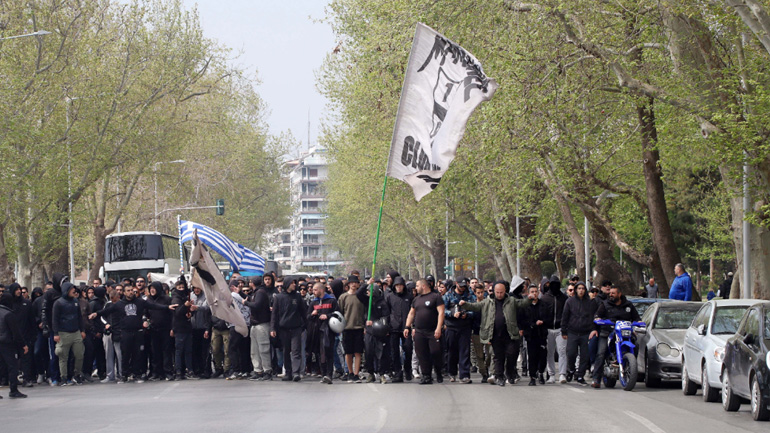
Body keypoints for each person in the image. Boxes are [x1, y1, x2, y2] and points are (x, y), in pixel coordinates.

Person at [89, 284, 177, 383]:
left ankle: (137, 375)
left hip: (138, 331)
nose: (131, 292)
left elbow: (154, 306)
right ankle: (124, 375)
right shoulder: (119, 304)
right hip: (125, 332)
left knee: (138, 354)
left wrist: (167, 307)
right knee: (125, 355)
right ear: (124, 292)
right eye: (128, 290)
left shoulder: (140, 302)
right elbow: (107, 311)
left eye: (132, 290)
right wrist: (96, 314)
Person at [459, 280, 531, 386]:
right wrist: (464, 305)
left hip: (510, 334)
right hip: (495, 334)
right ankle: (499, 376)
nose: (499, 294)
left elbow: (522, 303)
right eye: (497, 292)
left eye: (501, 292)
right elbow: (475, 307)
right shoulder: (487, 301)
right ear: (494, 291)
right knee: (498, 357)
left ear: (505, 291)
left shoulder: (511, 300)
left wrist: (529, 299)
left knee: (512, 354)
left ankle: (510, 373)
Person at [591, 286, 641, 388]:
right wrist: (598, 319)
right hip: (607, 332)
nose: (610, 295)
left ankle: (631, 367)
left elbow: (636, 317)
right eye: (610, 293)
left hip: (625, 333)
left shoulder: (629, 305)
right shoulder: (605, 304)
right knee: (601, 353)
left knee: (636, 344)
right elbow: (597, 315)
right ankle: (596, 378)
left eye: (613, 293)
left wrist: (640, 322)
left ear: (619, 294)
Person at [404, 279, 445, 385]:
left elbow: (441, 313)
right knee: (421, 353)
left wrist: (438, 328)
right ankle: (426, 375)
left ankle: (438, 371)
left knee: (435, 352)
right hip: (419, 331)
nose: (415, 288)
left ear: (423, 286)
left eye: (417, 286)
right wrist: (407, 326)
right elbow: (411, 314)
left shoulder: (435, 297)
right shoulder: (416, 299)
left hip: (432, 331)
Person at [560, 281, 596, 385]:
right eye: (579, 288)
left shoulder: (589, 303)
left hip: (585, 333)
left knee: (585, 356)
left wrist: (592, 329)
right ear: (576, 290)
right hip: (572, 332)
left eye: (583, 289)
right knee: (571, 353)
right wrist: (564, 330)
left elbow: (592, 317)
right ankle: (571, 370)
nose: (581, 290)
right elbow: (565, 316)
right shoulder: (570, 301)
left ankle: (580, 375)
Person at [270, 278, 306, 382]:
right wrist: (273, 328)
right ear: (287, 284)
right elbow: (274, 314)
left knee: (296, 351)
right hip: (283, 329)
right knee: (285, 351)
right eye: (292, 283)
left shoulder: (298, 296)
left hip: (296, 328)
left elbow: (303, 312)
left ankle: (296, 373)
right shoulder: (278, 297)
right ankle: (288, 373)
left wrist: (305, 326)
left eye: (295, 283)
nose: (294, 285)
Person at [52, 282, 86, 385]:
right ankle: (64, 378)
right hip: (63, 333)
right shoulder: (58, 303)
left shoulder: (75, 301)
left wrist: (82, 330)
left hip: (75, 332)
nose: (74, 291)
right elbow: (55, 319)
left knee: (79, 354)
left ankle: (77, 374)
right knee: (63, 356)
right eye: (72, 289)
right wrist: (56, 333)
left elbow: (79, 317)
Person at [442, 279, 476, 383]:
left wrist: (467, 314)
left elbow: (474, 309)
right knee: (452, 351)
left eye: (464, 286)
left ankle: (464, 375)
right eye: (460, 286)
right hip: (451, 326)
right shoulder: (448, 295)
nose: (462, 288)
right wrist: (452, 314)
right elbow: (442, 310)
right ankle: (452, 373)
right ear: (456, 284)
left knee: (464, 351)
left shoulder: (469, 296)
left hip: (464, 327)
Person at [306, 282, 339, 384]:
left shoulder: (331, 300)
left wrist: (327, 316)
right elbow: (307, 317)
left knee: (328, 351)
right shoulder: (313, 303)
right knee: (319, 353)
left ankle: (329, 374)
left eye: (315, 290)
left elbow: (337, 314)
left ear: (321, 290)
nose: (313, 291)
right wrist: (312, 314)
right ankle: (323, 374)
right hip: (316, 331)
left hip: (328, 330)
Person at [359, 279, 391, 383]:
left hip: (379, 332)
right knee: (368, 353)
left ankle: (381, 374)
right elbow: (359, 293)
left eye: (369, 291)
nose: (367, 293)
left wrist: (374, 323)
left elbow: (385, 318)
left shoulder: (383, 302)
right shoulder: (367, 301)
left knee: (381, 353)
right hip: (369, 332)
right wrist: (366, 284)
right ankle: (370, 373)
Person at [0, 292, 29, 398]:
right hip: (6, 343)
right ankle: (13, 390)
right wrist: (23, 345)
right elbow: (16, 333)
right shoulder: (9, 314)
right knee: (12, 366)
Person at [386, 276, 413, 383]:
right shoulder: (389, 297)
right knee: (394, 351)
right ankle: (398, 372)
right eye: (397, 286)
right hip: (393, 328)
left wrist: (411, 326)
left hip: (406, 327)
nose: (399, 288)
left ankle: (408, 369)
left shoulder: (409, 297)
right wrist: (387, 326)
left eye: (400, 285)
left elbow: (413, 312)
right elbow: (387, 313)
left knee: (408, 349)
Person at [540, 275, 568, 384]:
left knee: (562, 351)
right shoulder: (544, 298)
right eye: (553, 284)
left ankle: (562, 374)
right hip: (548, 329)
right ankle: (551, 375)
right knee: (549, 352)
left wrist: (565, 328)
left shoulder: (564, 298)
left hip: (561, 329)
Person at [338, 275, 365, 383]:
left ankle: (356, 373)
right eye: (351, 282)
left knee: (358, 352)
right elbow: (340, 313)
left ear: (358, 284)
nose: (354, 284)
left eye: (356, 282)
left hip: (359, 327)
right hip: (347, 328)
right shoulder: (343, 297)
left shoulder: (361, 297)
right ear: (348, 284)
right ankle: (350, 372)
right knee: (348, 352)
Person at [245, 276, 273, 381]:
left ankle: (267, 370)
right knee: (254, 350)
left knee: (263, 349)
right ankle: (258, 370)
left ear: (252, 283)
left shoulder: (260, 292)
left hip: (262, 324)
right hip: (255, 325)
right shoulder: (256, 293)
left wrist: (245, 303)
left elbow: (257, 305)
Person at [519, 285, 547, 386]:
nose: (534, 293)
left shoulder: (543, 305)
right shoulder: (526, 305)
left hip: (542, 334)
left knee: (542, 356)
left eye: (536, 291)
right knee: (532, 356)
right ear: (528, 293)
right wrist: (532, 325)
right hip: (530, 335)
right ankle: (532, 377)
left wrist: (542, 322)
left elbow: (547, 317)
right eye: (532, 291)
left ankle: (541, 373)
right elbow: (523, 319)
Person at [146, 281, 173, 381]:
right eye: (150, 288)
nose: (152, 290)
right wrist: (145, 320)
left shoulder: (166, 299)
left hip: (165, 329)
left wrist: (172, 328)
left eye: (154, 288)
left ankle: (168, 372)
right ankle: (157, 372)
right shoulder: (148, 300)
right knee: (155, 352)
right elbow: (145, 313)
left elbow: (171, 315)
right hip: (154, 330)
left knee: (166, 351)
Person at [10, 283, 36, 387]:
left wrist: (33, 335)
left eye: (19, 289)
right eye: (16, 289)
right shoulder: (9, 304)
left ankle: (27, 379)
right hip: (11, 337)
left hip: (25, 336)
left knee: (26, 359)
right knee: (12, 360)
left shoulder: (26, 303)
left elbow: (32, 320)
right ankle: (12, 379)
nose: (19, 291)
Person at [226, 281, 251, 380]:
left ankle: (236, 370)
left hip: (236, 324)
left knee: (232, 348)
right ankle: (245, 370)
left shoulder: (233, 295)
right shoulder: (244, 297)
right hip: (246, 324)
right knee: (243, 348)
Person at [171, 279, 196, 380]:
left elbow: (188, 313)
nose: (181, 289)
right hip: (179, 328)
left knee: (188, 351)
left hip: (187, 328)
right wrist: (184, 306)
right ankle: (178, 371)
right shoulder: (175, 299)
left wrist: (190, 311)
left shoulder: (185, 297)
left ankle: (189, 369)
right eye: (179, 288)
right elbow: (177, 313)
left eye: (183, 287)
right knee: (179, 351)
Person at [469, 284, 491, 384]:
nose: (480, 294)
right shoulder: (473, 305)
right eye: (478, 293)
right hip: (476, 332)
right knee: (479, 355)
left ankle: (486, 368)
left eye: (482, 292)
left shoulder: (489, 304)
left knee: (490, 353)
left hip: (488, 332)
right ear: (475, 293)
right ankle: (484, 373)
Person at [190, 285, 212, 379]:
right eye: (195, 288)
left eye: (198, 288)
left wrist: (196, 307)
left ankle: (206, 370)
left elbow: (206, 308)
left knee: (205, 351)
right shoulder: (190, 295)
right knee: (195, 351)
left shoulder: (206, 295)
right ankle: (197, 370)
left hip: (204, 327)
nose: (196, 290)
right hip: (193, 328)